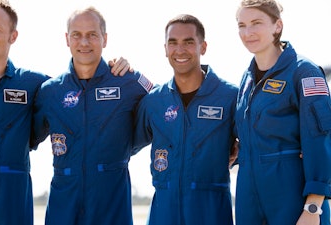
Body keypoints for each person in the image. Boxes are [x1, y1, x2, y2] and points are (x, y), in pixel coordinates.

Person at [0, 1, 129, 224]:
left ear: (13, 36)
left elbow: (78, 92)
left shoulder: (36, 85)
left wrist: (115, 70)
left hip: (11, 200)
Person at [31, 6, 153, 225]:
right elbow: (21, 137)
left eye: (92, 35)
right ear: (67, 39)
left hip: (111, 202)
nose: (84, 42)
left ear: (104, 39)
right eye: (77, 35)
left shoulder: (128, 82)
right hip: (64, 203)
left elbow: (169, 107)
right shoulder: (50, 91)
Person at [132, 14, 238, 225]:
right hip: (164, 209)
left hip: (211, 209)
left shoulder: (230, 97)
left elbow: (256, 143)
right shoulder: (154, 101)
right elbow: (123, 145)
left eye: (188, 42)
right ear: (165, 49)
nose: (180, 50)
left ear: (203, 46)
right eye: (173, 43)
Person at [234, 0, 331, 224]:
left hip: (291, 192)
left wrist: (313, 206)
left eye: (256, 23)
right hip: (248, 192)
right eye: (242, 25)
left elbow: (320, 138)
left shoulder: (304, 72)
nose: (247, 32)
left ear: (277, 25)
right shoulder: (246, 79)